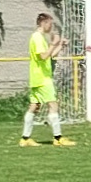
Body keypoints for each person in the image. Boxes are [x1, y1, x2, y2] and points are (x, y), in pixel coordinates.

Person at [22, 13, 74, 146]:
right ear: (44, 23)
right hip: (42, 78)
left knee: (34, 106)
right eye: (50, 24)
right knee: (53, 105)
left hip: (37, 77)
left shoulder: (39, 37)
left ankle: (25, 139)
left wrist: (60, 45)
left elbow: (49, 56)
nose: (51, 27)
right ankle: (58, 138)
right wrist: (53, 43)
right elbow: (43, 56)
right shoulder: (37, 37)